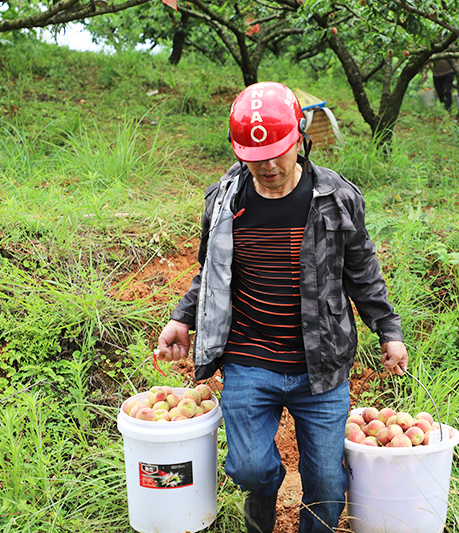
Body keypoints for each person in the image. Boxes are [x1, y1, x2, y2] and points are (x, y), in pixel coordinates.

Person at [156, 81, 409, 533]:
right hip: (250, 359)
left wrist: (388, 329)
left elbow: (362, 270)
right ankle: (265, 504)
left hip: (322, 365)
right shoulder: (225, 201)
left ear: (300, 138)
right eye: (255, 158)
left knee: (329, 487)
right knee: (251, 470)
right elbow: (210, 274)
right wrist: (181, 317)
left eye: (279, 150)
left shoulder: (338, 198)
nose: (269, 165)